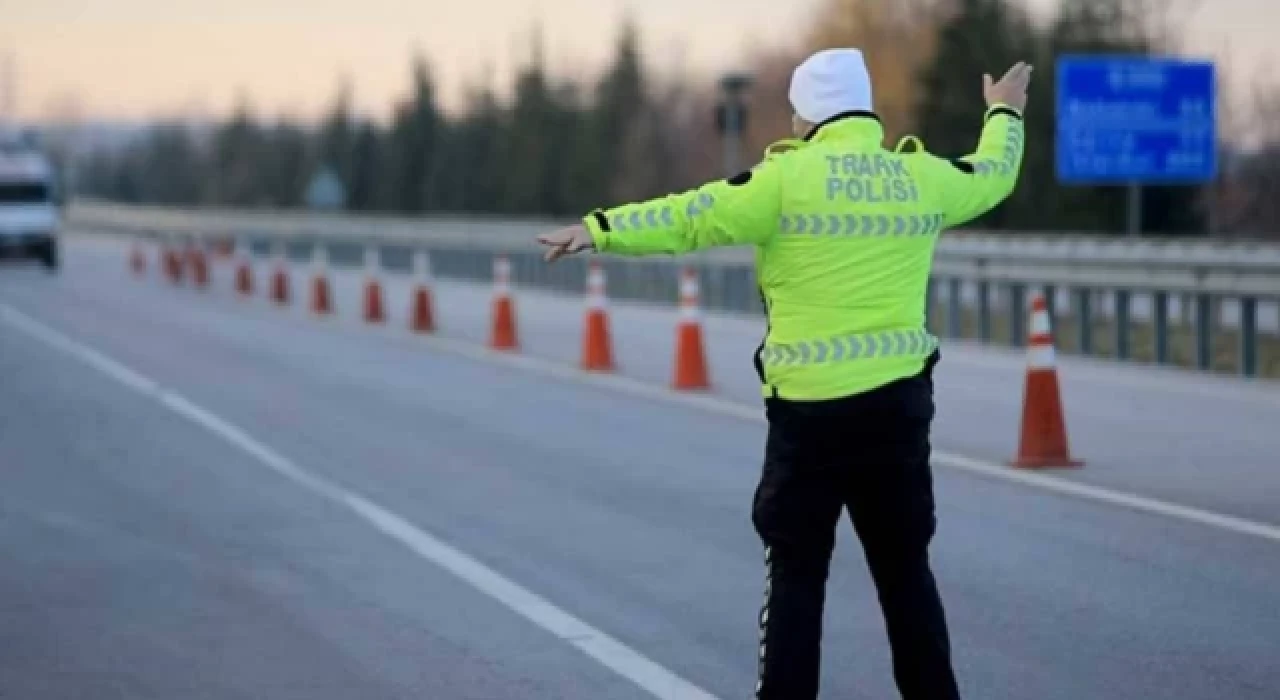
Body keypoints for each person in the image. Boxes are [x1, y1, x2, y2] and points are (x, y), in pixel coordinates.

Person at [537, 48, 1031, 700]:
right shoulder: (920, 176)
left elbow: (690, 215)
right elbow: (991, 174)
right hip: (898, 414)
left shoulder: (783, 181)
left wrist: (599, 230)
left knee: (798, 578)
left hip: (810, 420)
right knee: (905, 573)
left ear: (808, 116)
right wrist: (1004, 112)